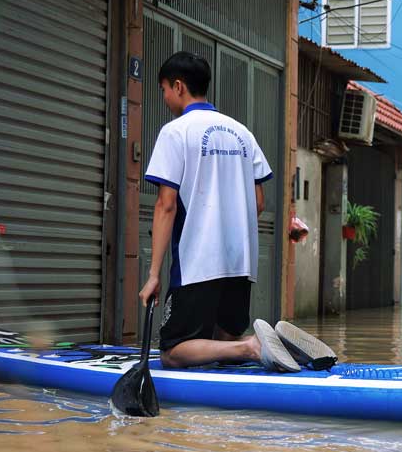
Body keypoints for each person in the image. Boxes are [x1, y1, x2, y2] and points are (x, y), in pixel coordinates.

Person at [138, 52, 336, 372]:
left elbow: (166, 204)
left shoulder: (176, 132)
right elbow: (258, 202)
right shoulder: (242, 133)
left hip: (198, 260)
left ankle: (252, 345)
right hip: (241, 261)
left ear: (178, 86)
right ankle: (280, 346)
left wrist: (153, 275)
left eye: (163, 90)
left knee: (173, 353)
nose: (164, 98)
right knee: (221, 347)